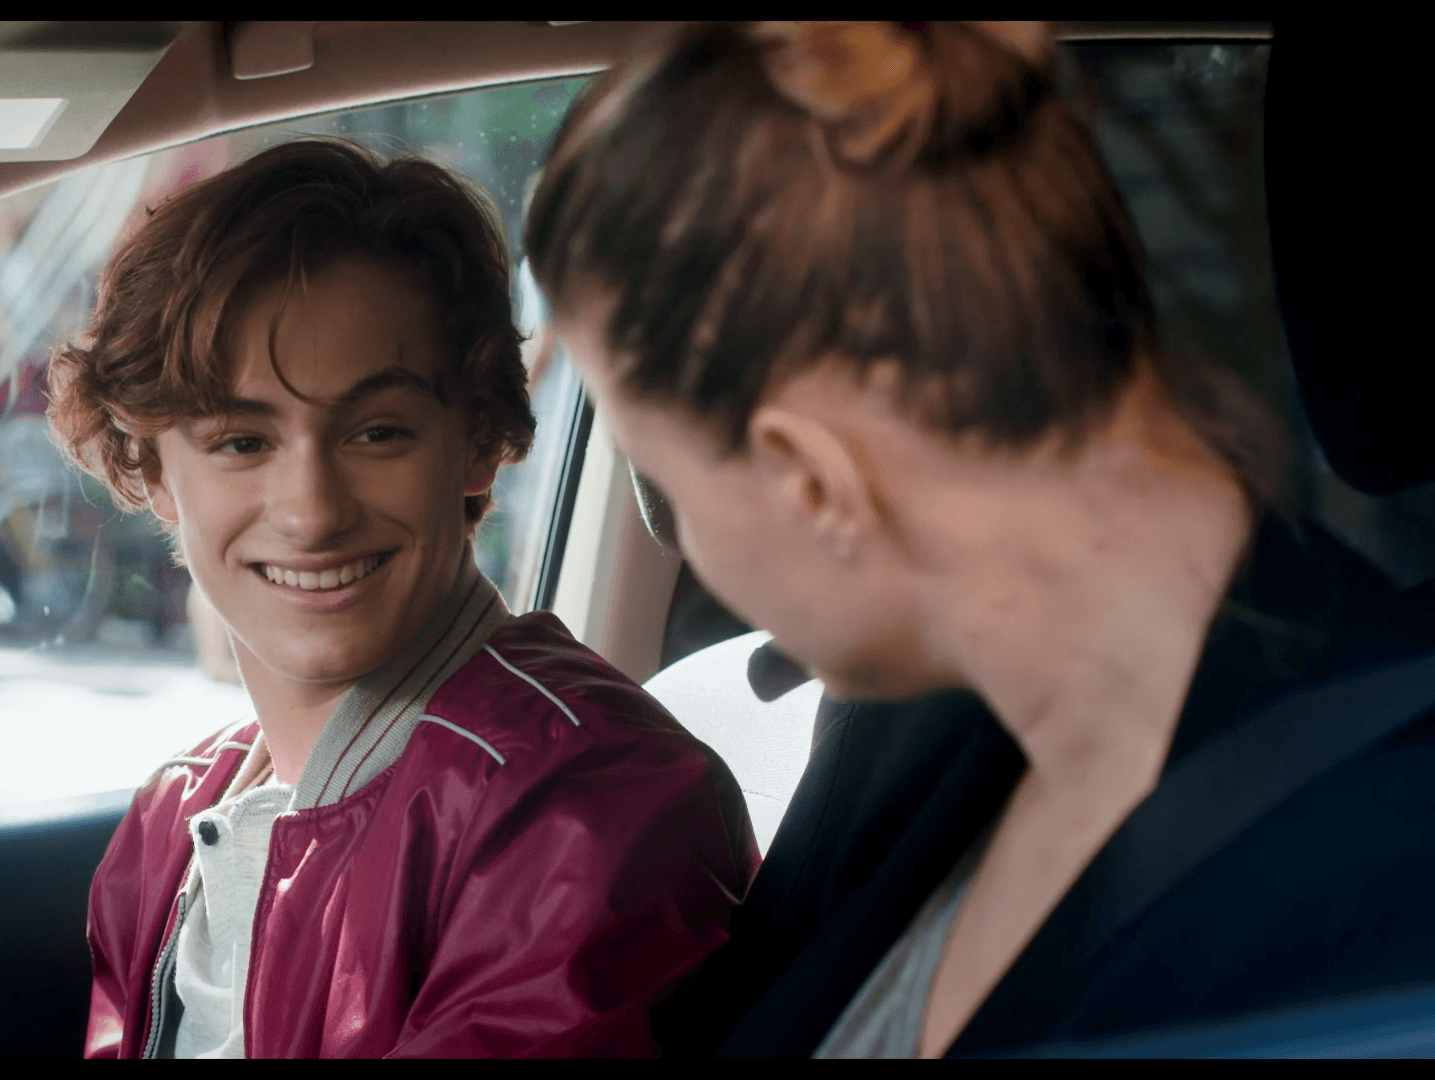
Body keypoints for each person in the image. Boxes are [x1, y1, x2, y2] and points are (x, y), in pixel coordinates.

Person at [525, 21, 1435, 1057]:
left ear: (813, 480)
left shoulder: (1356, 903)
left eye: (669, 489)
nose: (693, 549)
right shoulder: (938, 755)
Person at [46, 138, 755, 1059]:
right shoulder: (166, 823)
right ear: (154, 474)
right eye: (241, 443)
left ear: (479, 441)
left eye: (377, 432)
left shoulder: (585, 810)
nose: (311, 512)